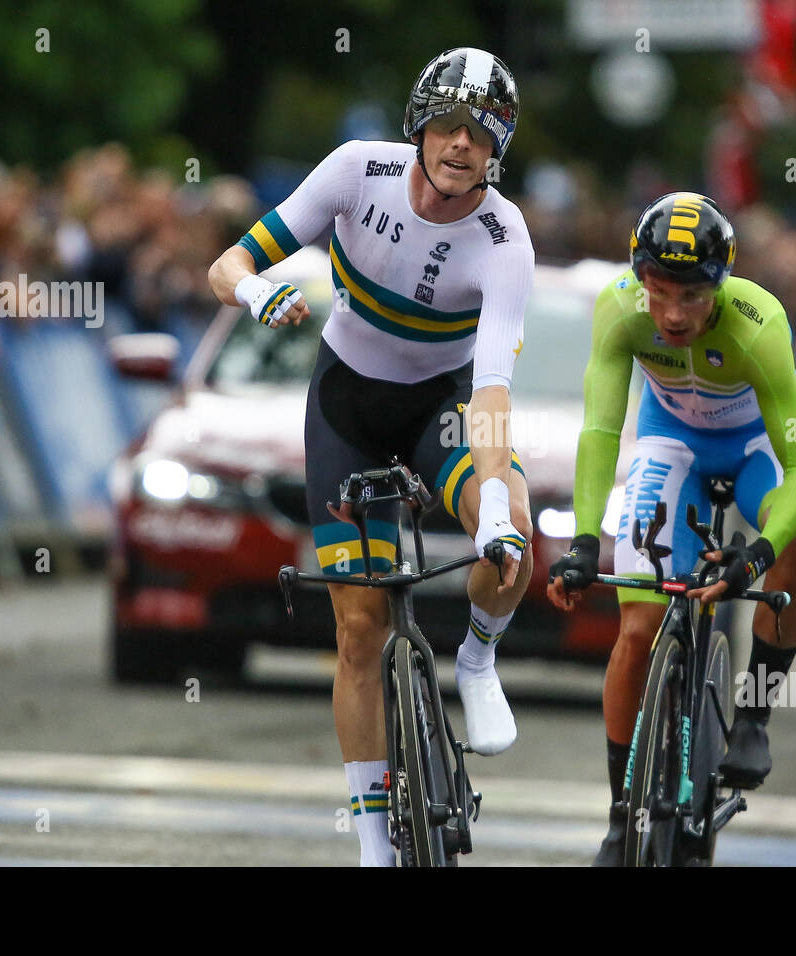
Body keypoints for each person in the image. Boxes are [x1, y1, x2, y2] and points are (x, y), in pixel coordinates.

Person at [207, 48, 535, 867]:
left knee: (518, 529)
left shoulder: (505, 237)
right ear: (419, 125)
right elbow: (229, 262)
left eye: (482, 134)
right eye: (449, 126)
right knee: (359, 629)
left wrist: (493, 505)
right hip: (347, 405)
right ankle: (372, 845)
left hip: (444, 406)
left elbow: (492, 388)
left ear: (499, 151)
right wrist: (256, 292)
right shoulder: (358, 170)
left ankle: (478, 658)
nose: (462, 145)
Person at [546, 192, 796, 866]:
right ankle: (622, 815)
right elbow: (600, 430)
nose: (673, 313)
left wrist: (756, 556)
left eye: (692, 296)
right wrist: (586, 541)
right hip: (671, 442)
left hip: (758, 446)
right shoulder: (619, 309)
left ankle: (754, 714)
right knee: (637, 631)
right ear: (640, 277)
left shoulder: (759, 326)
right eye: (660, 291)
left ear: (721, 285)